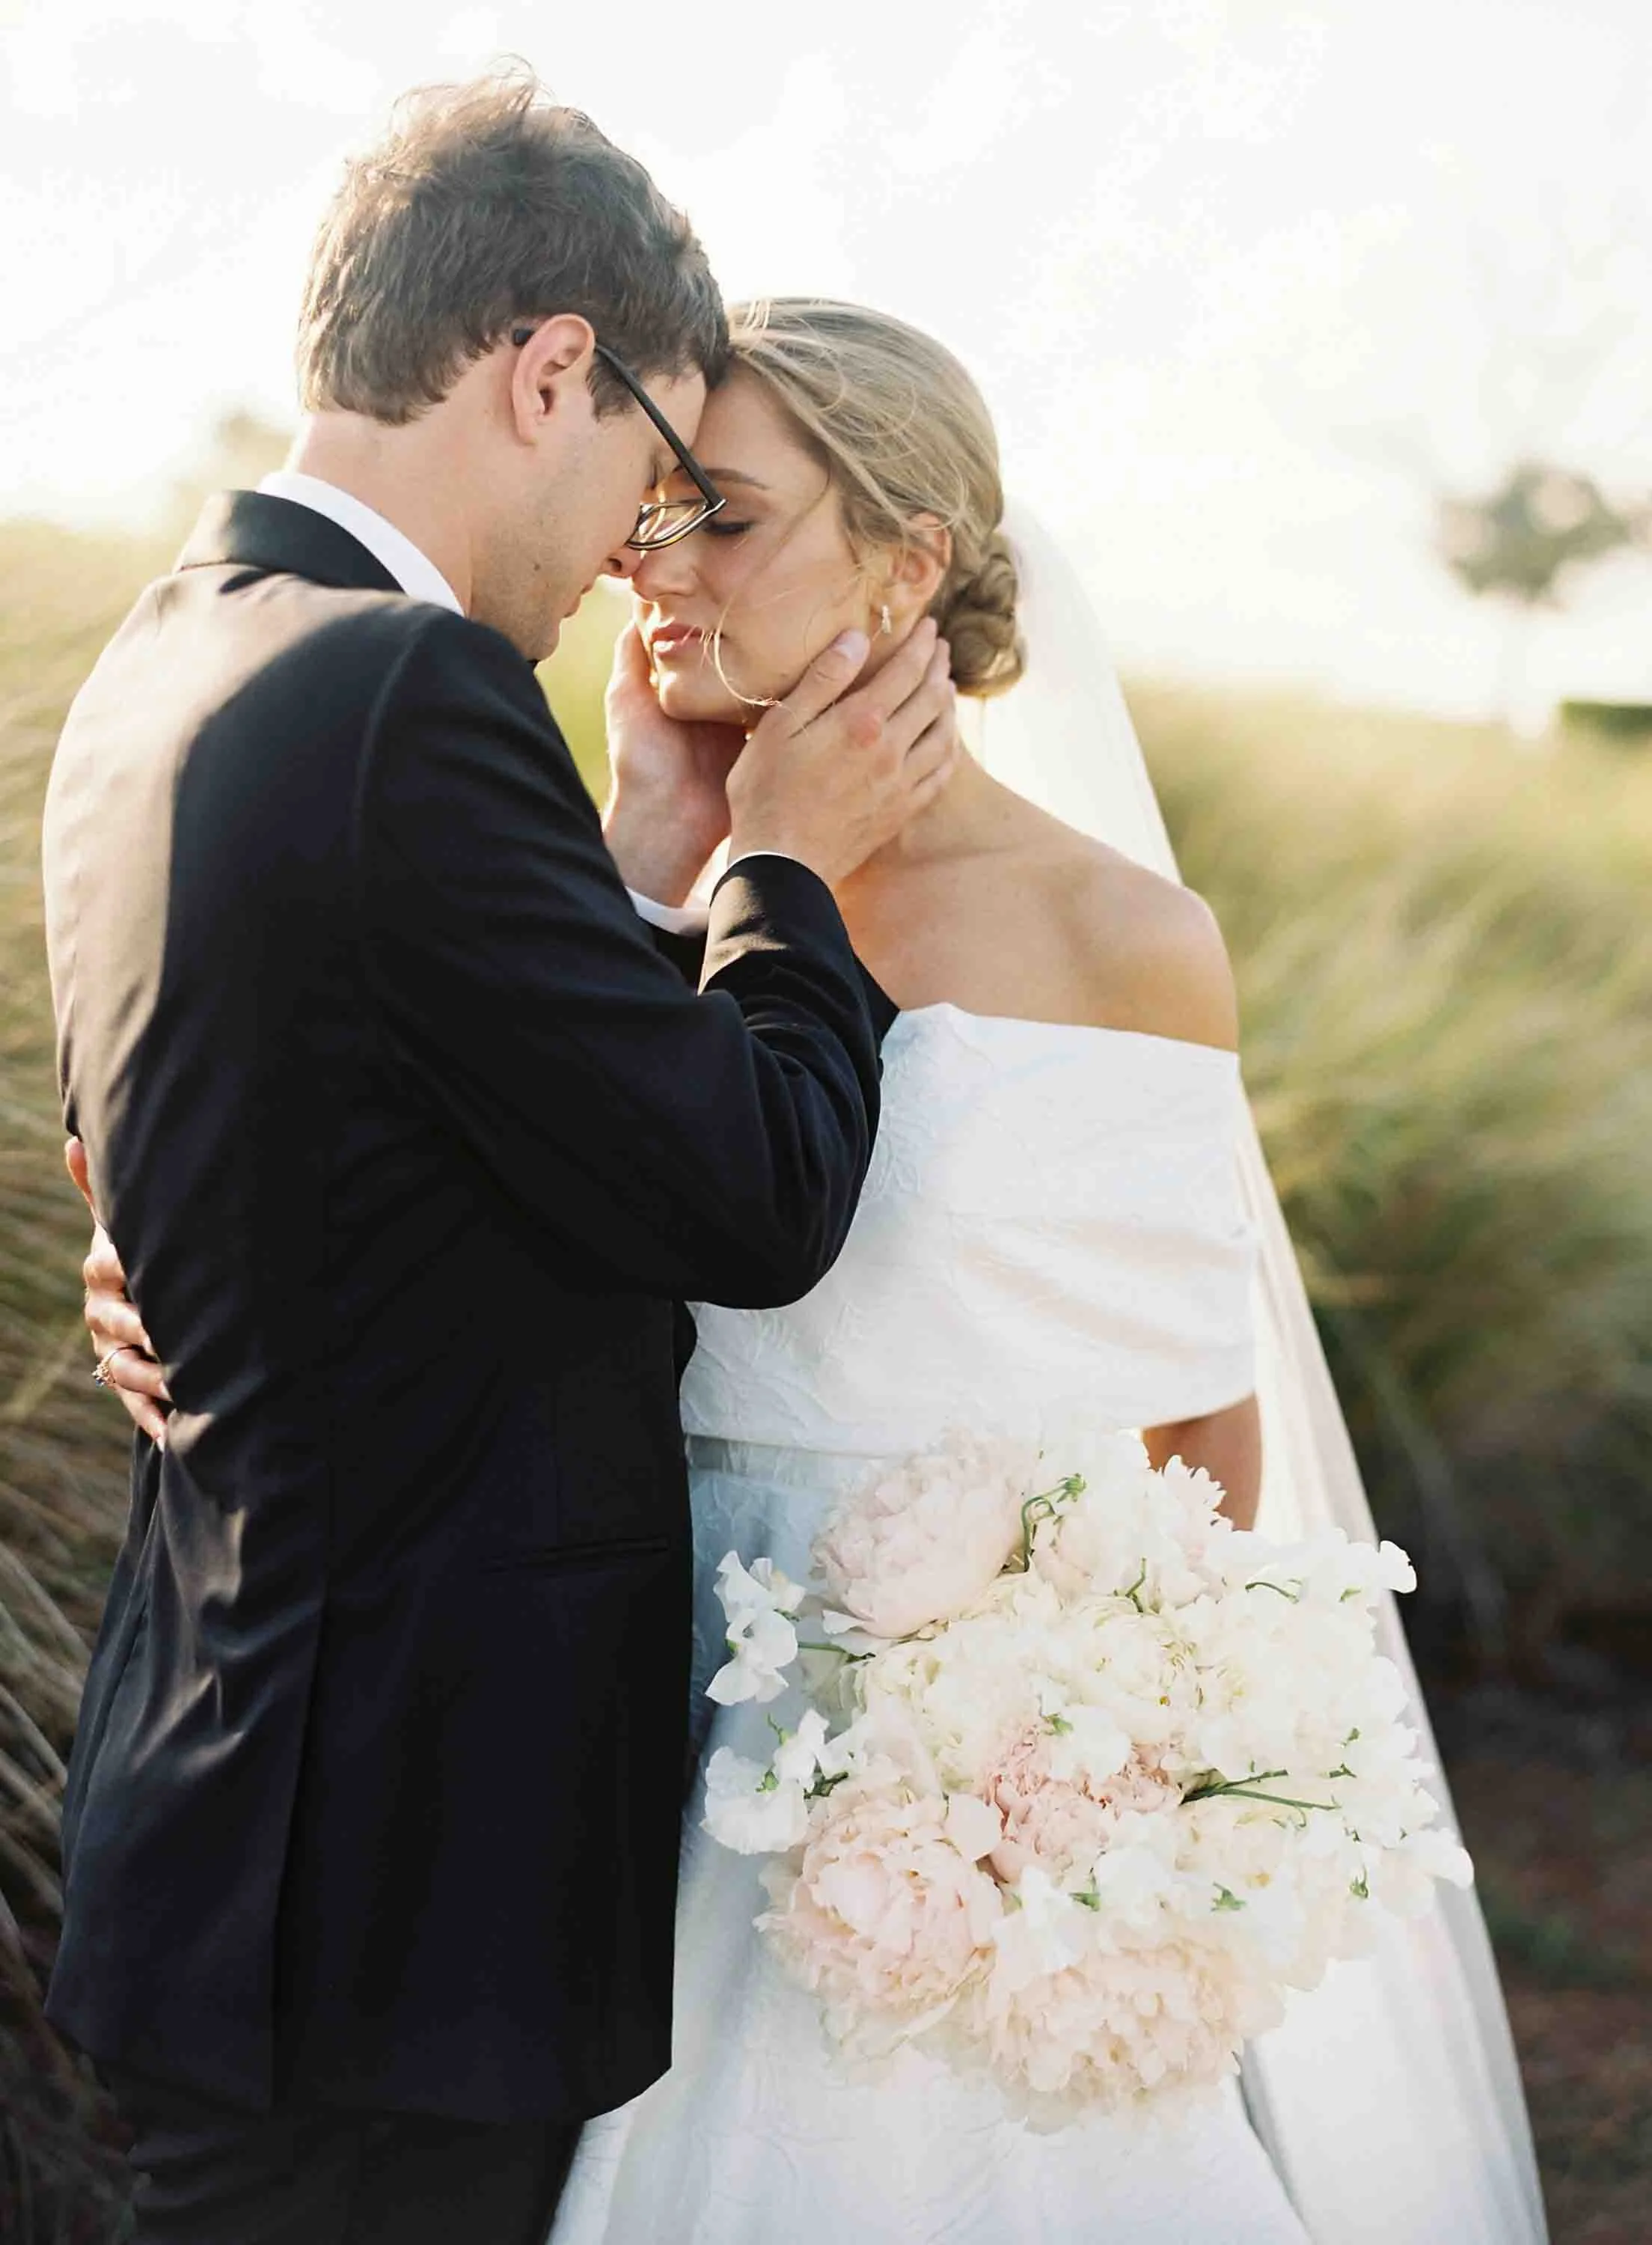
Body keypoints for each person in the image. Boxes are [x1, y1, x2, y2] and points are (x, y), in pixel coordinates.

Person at [41, 85, 958, 2245]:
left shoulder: (173, 645)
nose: (637, 555)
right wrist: (783, 869)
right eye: (654, 484)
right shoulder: (410, 691)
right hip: (376, 1905)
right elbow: (749, 1197)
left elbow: (263, 1105)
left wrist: (645, 855)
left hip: (244, 1835)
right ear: (551, 370)